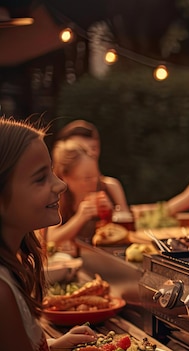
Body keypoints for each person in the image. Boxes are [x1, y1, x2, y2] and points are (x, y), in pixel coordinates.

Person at [0, 117, 98, 350]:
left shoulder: (11, 266)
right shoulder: (2, 294)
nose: (60, 185)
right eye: (40, 178)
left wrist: (51, 346)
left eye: (52, 172)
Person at [46, 139, 119, 255]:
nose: (94, 183)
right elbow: (50, 239)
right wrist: (80, 217)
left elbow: (129, 233)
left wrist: (111, 214)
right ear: (66, 178)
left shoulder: (110, 188)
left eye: (97, 176)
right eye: (87, 178)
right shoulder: (58, 198)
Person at [55, 119, 129, 212]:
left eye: (93, 148)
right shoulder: (56, 195)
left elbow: (126, 220)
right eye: (79, 149)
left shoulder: (110, 188)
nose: (90, 154)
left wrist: (110, 213)